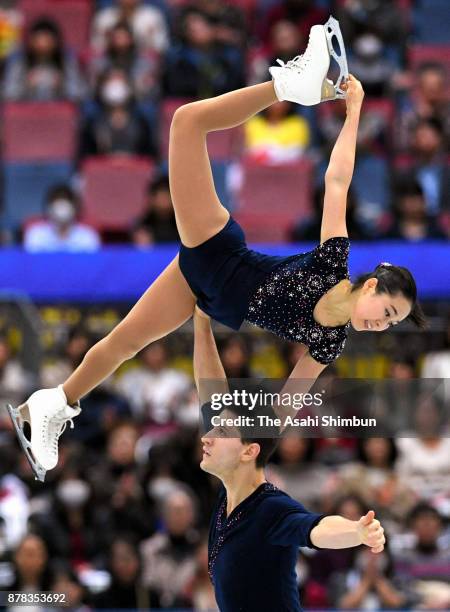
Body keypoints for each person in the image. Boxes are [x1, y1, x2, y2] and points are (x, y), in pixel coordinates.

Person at [10, 19, 425, 481]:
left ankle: (48, 408)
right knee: (187, 122)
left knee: (122, 344)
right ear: (371, 285)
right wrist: (353, 114)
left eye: (389, 323)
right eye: (385, 309)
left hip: (204, 289)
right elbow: (337, 180)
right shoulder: (334, 263)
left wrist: (255, 449)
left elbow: (288, 403)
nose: (380, 323)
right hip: (218, 249)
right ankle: (288, 83)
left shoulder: (331, 341)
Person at [193, 306, 386, 611]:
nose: (206, 436)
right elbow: (212, 395)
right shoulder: (229, 500)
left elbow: (314, 529)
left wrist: (356, 531)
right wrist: (202, 322)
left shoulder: (270, 508)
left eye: (221, 430)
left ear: (249, 451)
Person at [3, 18, 85, 102]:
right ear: (31, 41)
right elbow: (7, 93)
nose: (43, 45)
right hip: (25, 111)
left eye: (47, 40)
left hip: (59, 110)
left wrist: (62, 85)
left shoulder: (66, 61)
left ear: (56, 41)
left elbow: (80, 94)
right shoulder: (20, 62)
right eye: (38, 40)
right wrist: (25, 85)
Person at [23, 184, 100, 253]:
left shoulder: (87, 236)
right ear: (49, 209)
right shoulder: (36, 234)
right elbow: (32, 264)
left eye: (65, 205)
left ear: (75, 208)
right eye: (58, 205)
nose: (61, 209)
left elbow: (93, 265)